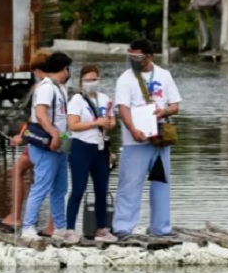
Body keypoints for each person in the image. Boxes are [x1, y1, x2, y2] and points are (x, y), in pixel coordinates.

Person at [112, 39, 182, 238]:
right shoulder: (125, 79)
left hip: (160, 139)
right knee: (130, 183)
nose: (134, 60)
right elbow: (123, 108)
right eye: (131, 56)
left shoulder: (164, 75)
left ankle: (161, 228)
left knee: (161, 184)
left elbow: (175, 105)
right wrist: (132, 129)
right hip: (136, 140)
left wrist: (164, 111)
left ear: (150, 56)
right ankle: (123, 227)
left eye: (138, 57)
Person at [0, 50, 55, 236]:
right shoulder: (56, 86)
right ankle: (50, 225)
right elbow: (33, 119)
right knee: (52, 181)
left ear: (37, 70)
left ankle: (18, 218)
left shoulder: (43, 87)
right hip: (48, 140)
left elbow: (39, 117)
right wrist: (22, 134)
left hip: (43, 141)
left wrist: (23, 137)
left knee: (35, 176)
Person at [20, 52, 76, 242]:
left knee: (60, 187)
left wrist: (63, 136)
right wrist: (53, 133)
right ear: (64, 69)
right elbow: (41, 113)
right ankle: (28, 226)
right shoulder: (46, 88)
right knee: (41, 185)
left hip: (60, 145)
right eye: (68, 69)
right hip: (46, 143)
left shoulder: (59, 88)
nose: (69, 73)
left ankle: (60, 227)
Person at [66, 65, 118, 243]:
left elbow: (111, 120)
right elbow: (73, 125)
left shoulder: (104, 98)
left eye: (94, 79)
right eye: (88, 80)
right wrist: (96, 122)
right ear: (81, 82)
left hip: (100, 147)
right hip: (81, 146)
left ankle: (102, 228)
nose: (91, 83)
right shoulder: (77, 100)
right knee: (78, 189)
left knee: (101, 189)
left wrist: (109, 123)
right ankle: (70, 229)